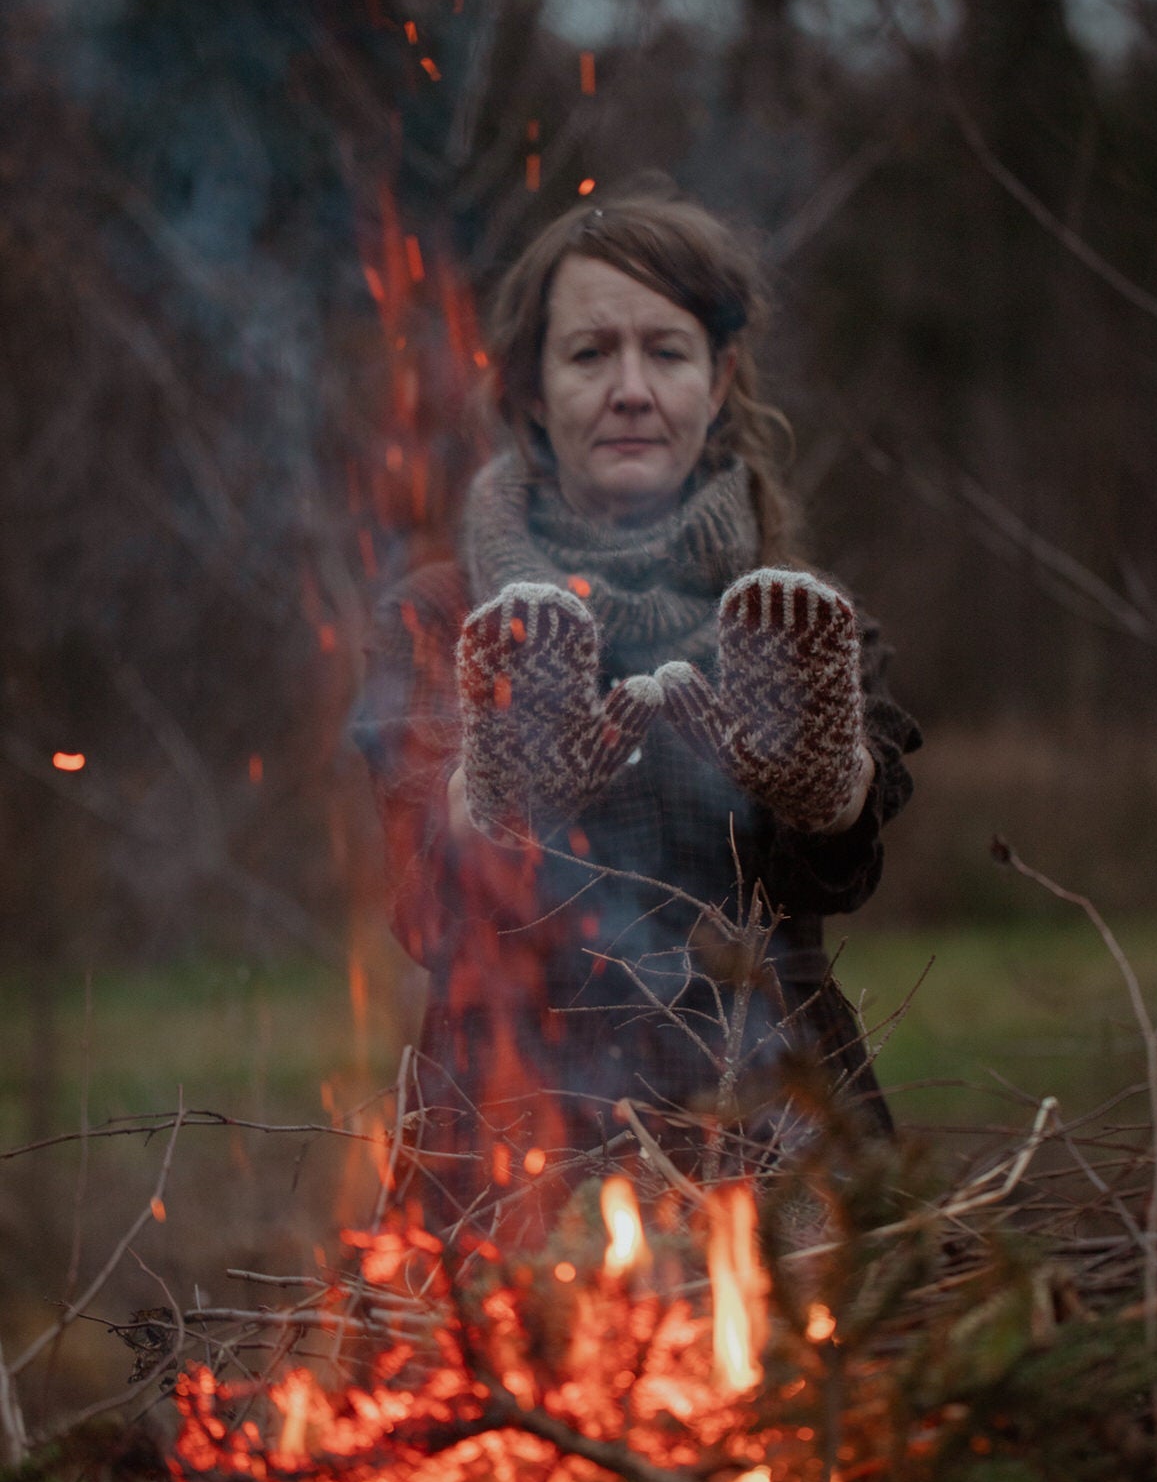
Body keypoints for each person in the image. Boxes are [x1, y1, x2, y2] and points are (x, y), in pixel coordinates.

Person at [353, 188, 920, 1237]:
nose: (629, 389)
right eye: (589, 355)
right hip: (510, 1148)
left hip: (779, 1145)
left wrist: (827, 782)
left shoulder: (796, 625)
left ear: (720, 378)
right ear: (531, 390)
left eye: (665, 351)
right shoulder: (440, 619)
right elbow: (425, 911)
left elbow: (845, 862)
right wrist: (495, 795)